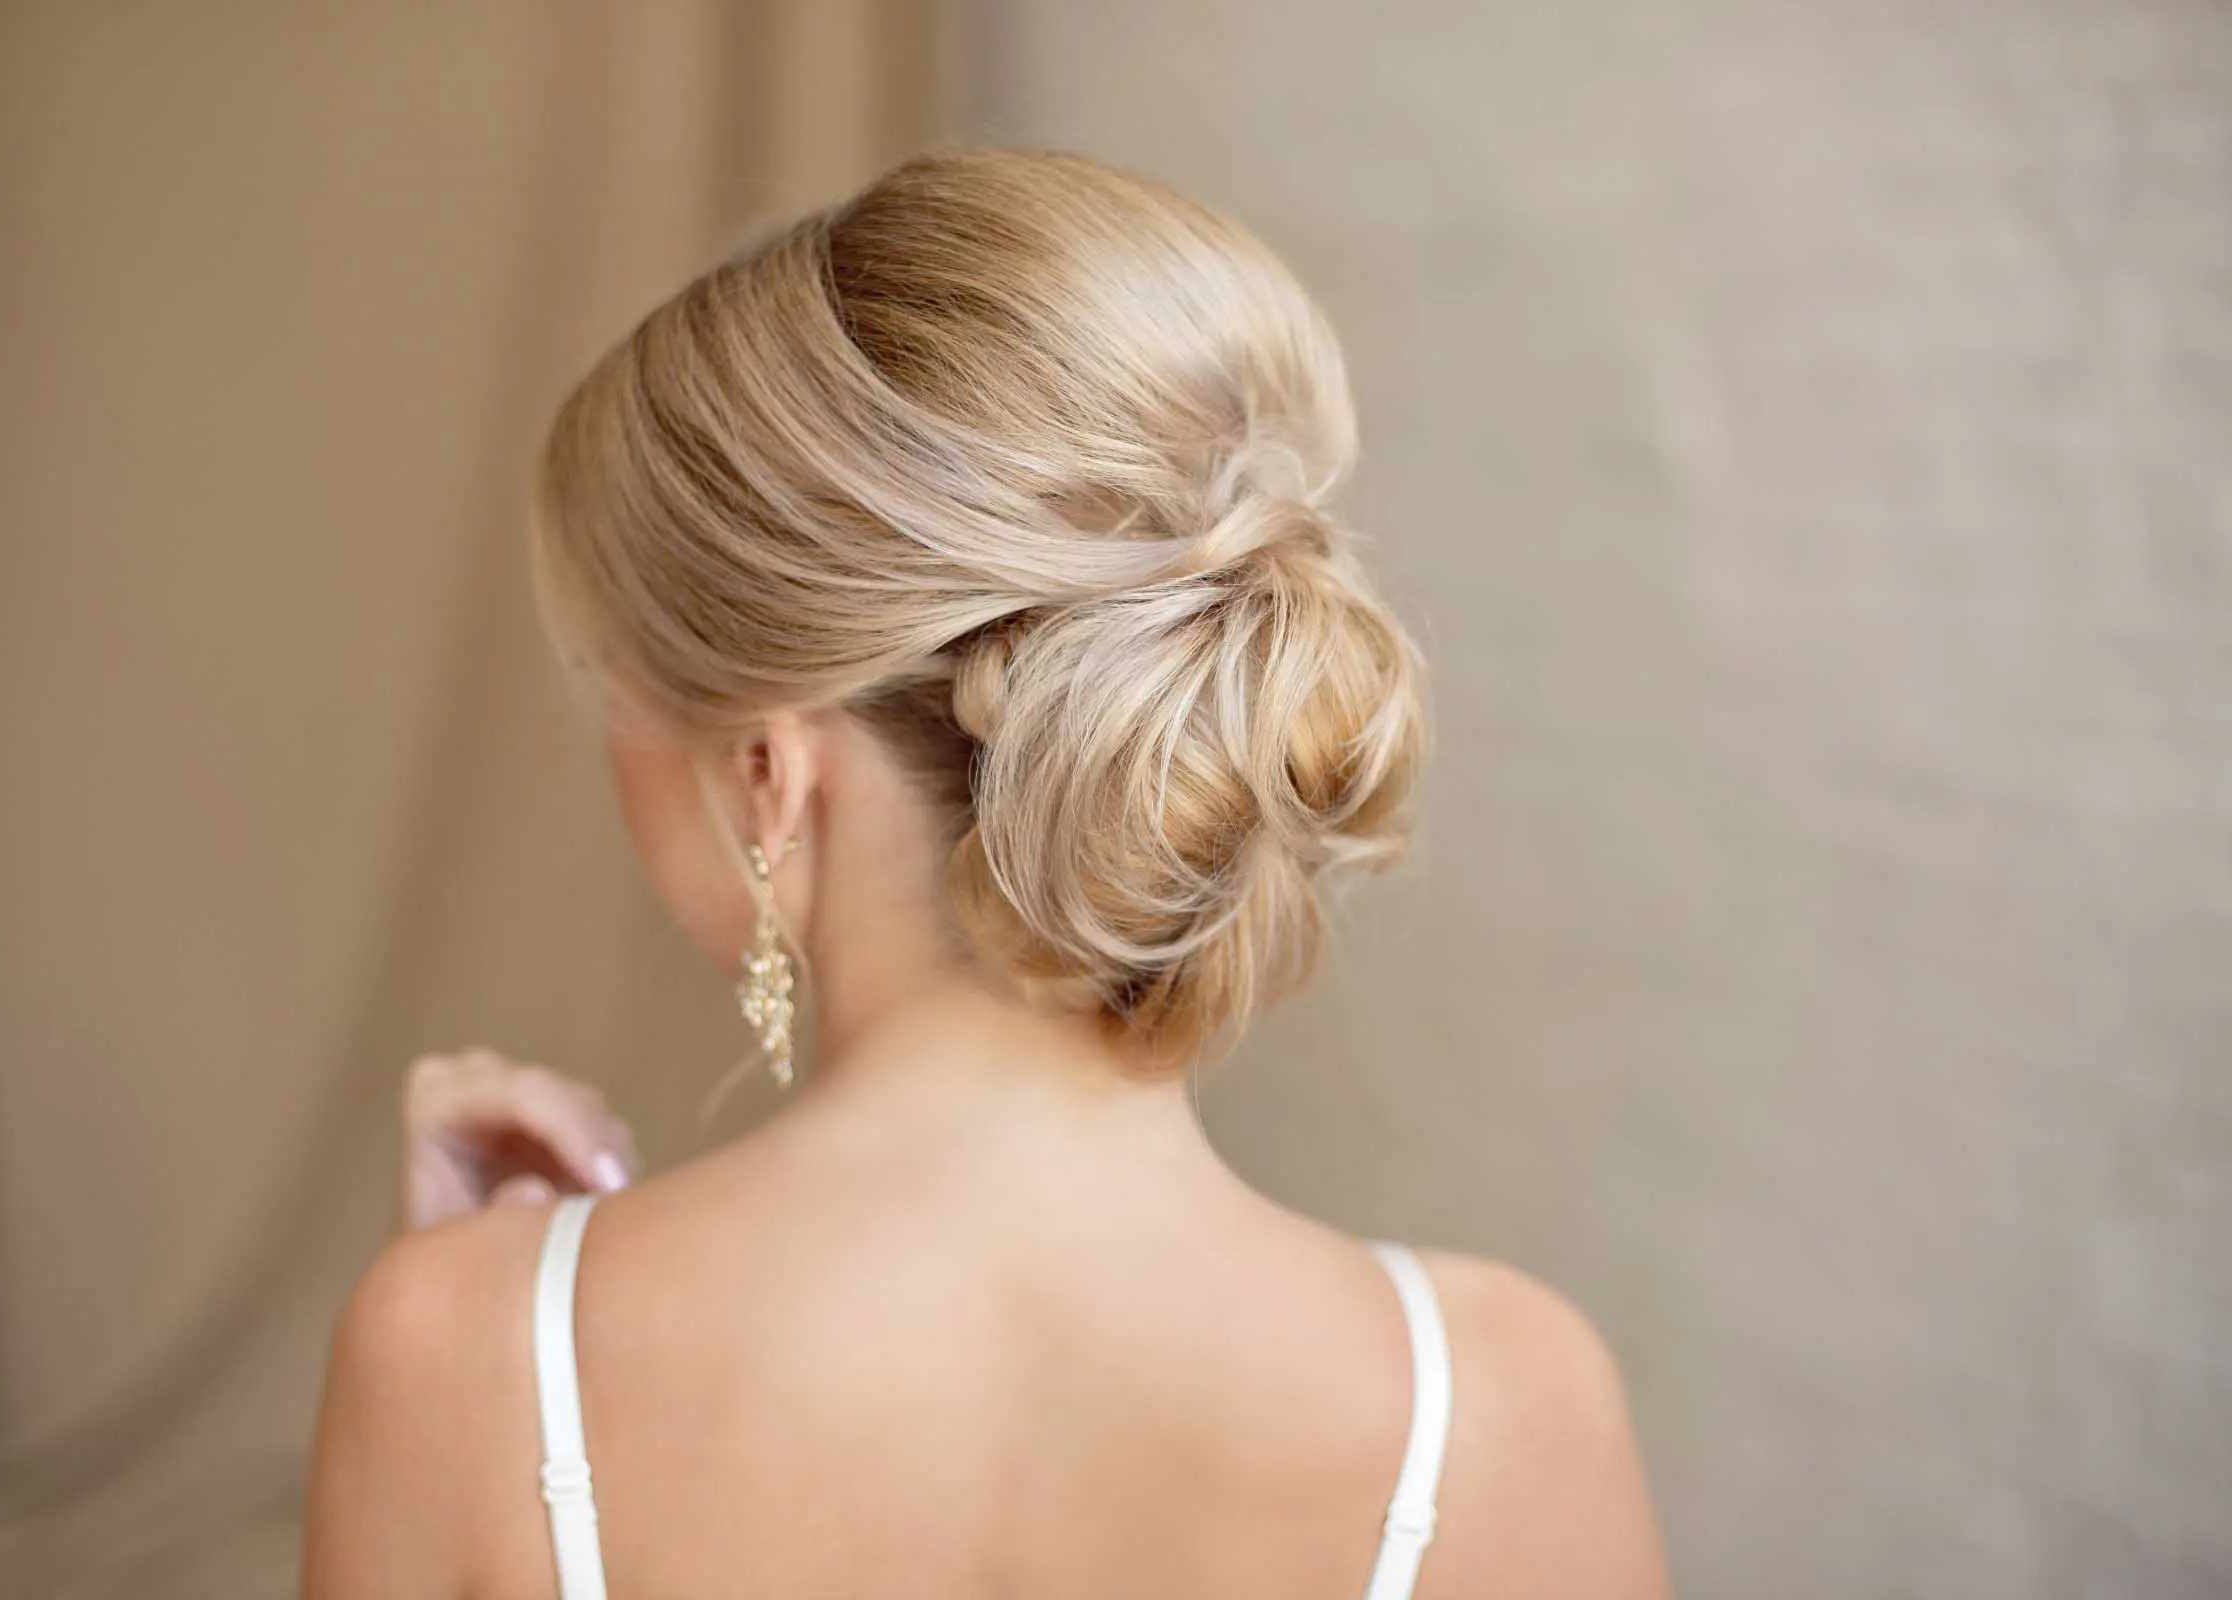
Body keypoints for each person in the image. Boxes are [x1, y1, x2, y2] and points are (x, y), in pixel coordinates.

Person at [301, 147, 1670, 1599]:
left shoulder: (457, 1357)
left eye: (612, 692)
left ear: (769, 775)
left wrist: (474, 1347)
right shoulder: (1510, 1404)